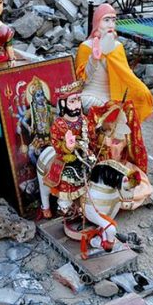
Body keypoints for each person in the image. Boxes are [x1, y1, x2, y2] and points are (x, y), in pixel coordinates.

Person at [75, 3, 153, 121]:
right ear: (97, 22)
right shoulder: (85, 46)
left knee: (134, 102)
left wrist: (141, 90)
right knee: (88, 102)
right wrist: (95, 57)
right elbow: (82, 81)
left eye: (113, 20)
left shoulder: (118, 46)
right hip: (92, 93)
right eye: (106, 20)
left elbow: (126, 75)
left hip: (113, 94)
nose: (110, 25)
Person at [39, 80, 88, 219]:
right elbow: (55, 143)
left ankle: (81, 205)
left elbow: (89, 135)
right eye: (72, 101)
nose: (76, 105)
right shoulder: (59, 124)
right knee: (67, 179)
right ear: (63, 104)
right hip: (65, 158)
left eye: (78, 100)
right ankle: (62, 206)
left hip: (83, 154)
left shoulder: (83, 119)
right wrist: (67, 146)